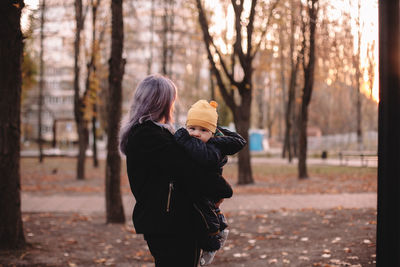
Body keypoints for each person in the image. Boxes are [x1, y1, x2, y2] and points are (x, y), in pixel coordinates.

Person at [119, 74, 233, 267]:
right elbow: (189, 170)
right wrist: (222, 189)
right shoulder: (150, 136)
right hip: (171, 225)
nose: (172, 105)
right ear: (160, 103)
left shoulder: (150, 133)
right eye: (170, 101)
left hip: (168, 222)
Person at [173, 100, 247, 265]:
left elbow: (204, 157)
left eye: (203, 130)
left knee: (205, 215)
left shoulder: (214, 147)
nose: (196, 134)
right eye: (191, 128)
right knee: (208, 211)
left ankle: (212, 242)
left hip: (206, 189)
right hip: (202, 186)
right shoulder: (201, 143)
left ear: (213, 133)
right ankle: (220, 227)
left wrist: (184, 139)